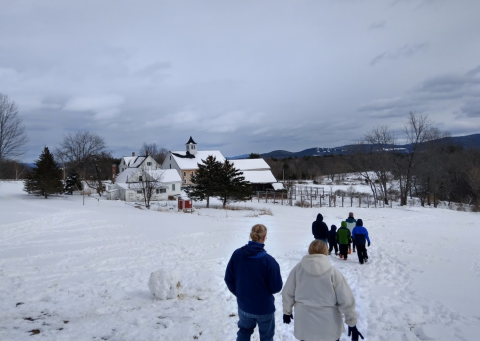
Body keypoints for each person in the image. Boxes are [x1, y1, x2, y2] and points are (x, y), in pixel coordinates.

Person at [282, 240, 363, 341]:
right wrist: (352, 324)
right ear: (325, 251)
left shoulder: (297, 270)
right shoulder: (333, 273)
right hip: (329, 328)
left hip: (305, 327)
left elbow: (287, 293)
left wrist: (287, 312)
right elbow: (346, 299)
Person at [224, 224, 283, 341]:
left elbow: (228, 278)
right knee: (266, 337)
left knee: (244, 332)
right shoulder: (269, 262)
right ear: (264, 237)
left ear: (251, 235)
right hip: (264, 309)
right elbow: (276, 287)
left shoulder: (237, 254)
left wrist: (239, 293)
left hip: (244, 306)